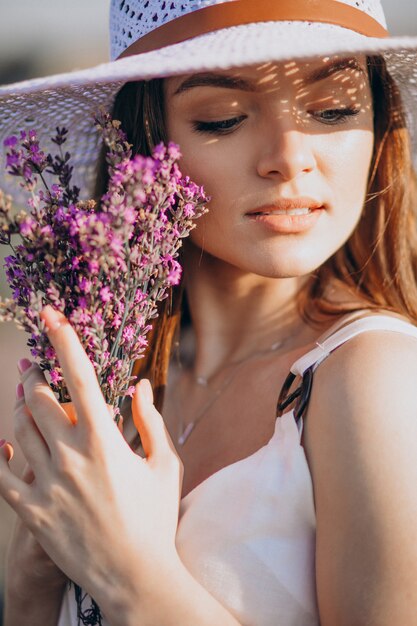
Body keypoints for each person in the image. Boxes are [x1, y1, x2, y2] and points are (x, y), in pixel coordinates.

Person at [1, 0, 417, 624]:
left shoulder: (373, 378)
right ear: (146, 139)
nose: (288, 157)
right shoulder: (113, 375)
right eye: (223, 119)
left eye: (333, 109)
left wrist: (131, 578)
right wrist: (31, 579)